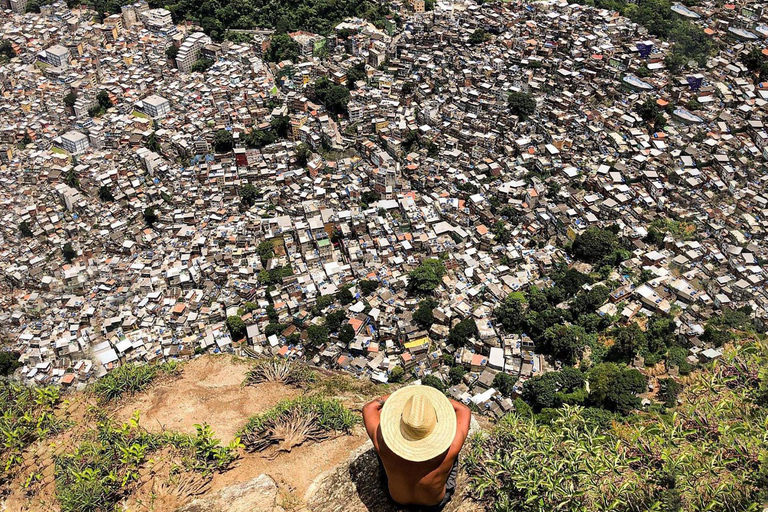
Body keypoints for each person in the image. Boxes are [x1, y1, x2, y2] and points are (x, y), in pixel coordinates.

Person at [362, 385, 472, 510]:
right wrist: (433, 398)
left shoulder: (382, 443)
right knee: (453, 456)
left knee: (381, 450)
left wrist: (402, 397)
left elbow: (369, 407)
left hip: (397, 499)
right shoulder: (453, 445)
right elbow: (464, 410)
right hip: (434, 503)